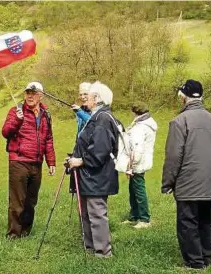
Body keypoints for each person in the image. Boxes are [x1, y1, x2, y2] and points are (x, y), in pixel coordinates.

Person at [161, 79, 211, 270]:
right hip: (209, 181)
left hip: (188, 181)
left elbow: (173, 156)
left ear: (183, 97)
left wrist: (167, 182)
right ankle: (206, 257)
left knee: (188, 223)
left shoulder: (179, 121)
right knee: (207, 221)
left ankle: (194, 263)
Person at [67, 81, 119, 258]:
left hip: (97, 175)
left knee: (97, 213)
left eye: (88, 96)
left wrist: (80, 161)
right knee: (87, 213)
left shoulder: (103, 119)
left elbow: (100, 150)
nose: (85, 98)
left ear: (96, 99)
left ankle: (103, 253)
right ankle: (91, 248)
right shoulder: (96, 117)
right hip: (89, 175)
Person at [1, 81, 56, 240]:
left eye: (33, 93)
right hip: (19, 161)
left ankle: (25, 231)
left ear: (41, 95)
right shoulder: (16, 111)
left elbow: (48, 139)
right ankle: (13, 234)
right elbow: (5, 132)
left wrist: (51, 162)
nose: (30, 96)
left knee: (31, 201)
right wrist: (17, 120)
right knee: (17, 201)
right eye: (27, 93)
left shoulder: (46, 114)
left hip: (36, 163)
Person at [122, 102, 157, 229]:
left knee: (138, 190)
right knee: (133, 189)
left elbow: (137, 148)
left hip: (138, 162)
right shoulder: (146, 124)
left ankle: (144, 219)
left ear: (134, 112)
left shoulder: (140, 127)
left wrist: (131, 166)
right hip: (142, 160)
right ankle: (134, 216)